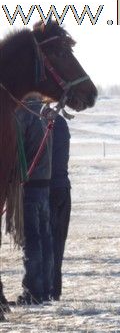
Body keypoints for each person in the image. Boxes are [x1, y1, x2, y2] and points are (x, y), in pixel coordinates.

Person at [15, 95, 54, 304]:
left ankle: (32, 291)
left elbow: (16, 144)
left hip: (29, 184)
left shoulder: (25, 113)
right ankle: (45, 288)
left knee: (31, 240)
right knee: (45, 238)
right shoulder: (44, 113)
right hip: (44, 183)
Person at [49, 114, 71, 301]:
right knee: (58, 241)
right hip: (63, 186)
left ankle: (40, 289)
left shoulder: (37, 119)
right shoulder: (60, 121)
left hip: (44, 188)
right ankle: (55, 289)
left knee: (41, 240)